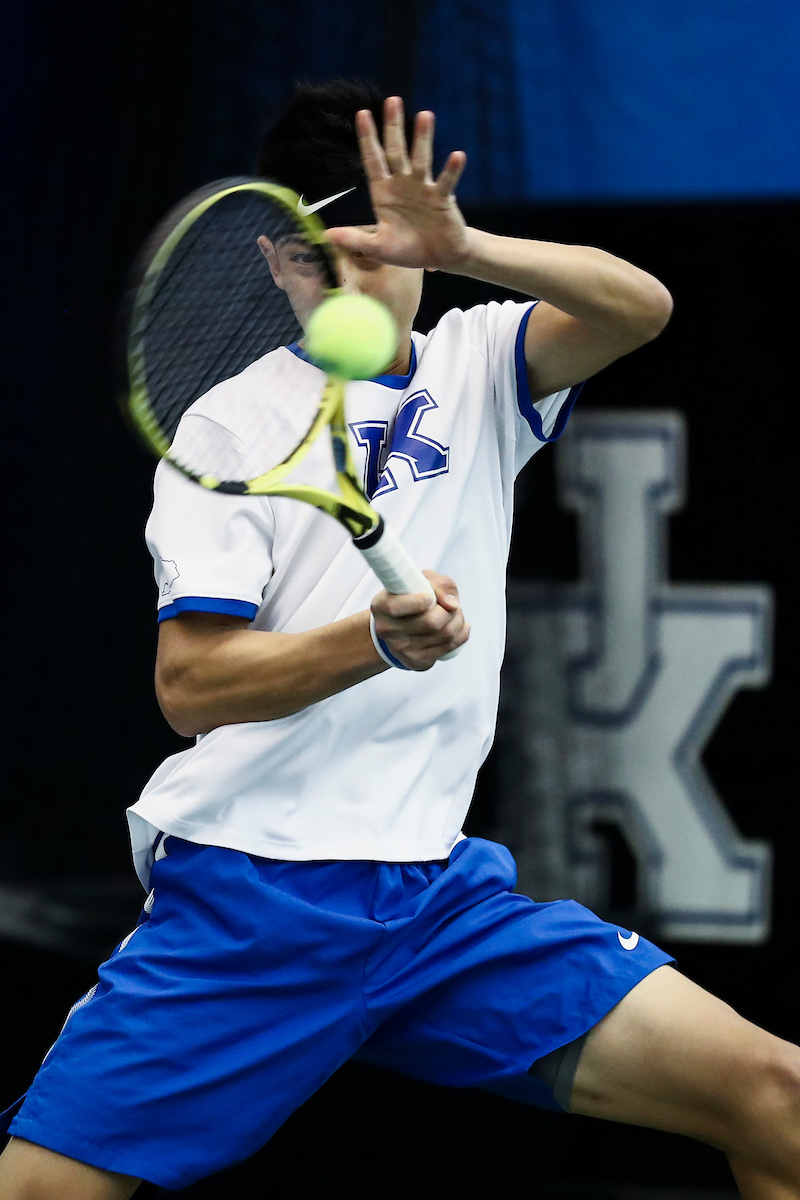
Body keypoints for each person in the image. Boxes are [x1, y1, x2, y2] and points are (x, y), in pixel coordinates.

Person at [1, 80, 798, 1200]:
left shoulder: (479, 362)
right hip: (256, 896)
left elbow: (639, 308)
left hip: (434, 899)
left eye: (388, 245)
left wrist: (467, 245)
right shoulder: (225, 426)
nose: (364, 278)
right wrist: (368, 641)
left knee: (774, 1097)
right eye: (331, 252)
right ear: (280, 262)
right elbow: (190, 686)